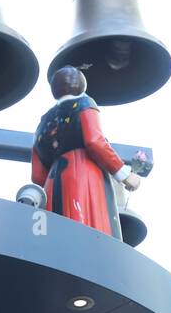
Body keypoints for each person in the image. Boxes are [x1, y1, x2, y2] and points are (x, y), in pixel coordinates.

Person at [32, 66, 140, 237]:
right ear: (82, 84)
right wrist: (125, 175)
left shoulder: (42, 122)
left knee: (60, 235)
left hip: (53, 182)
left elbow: (38, 176)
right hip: (83, 174)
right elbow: (94, 141)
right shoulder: (84, 104)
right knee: (88, 228)